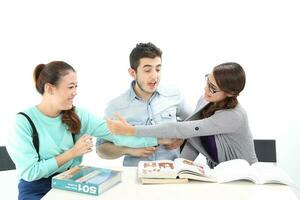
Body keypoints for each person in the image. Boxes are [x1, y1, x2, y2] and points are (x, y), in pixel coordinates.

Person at [7, 61, 169, 200]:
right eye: (70, 87)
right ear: (50, 89)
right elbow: (30, 172)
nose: (75, 92)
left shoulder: (77, 115)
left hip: (69, 182)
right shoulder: (24, 122)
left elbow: (116, 134)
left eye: (76, 86)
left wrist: (159, 140)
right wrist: (72, 153)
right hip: (36, 189)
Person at [107, 62, 258, 168]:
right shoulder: (205, 100)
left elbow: (180, 129)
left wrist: (131, 130)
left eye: (212, 88)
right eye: (207, 81)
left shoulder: (234, 116)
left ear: (230, 93)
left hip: (243, 174)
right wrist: (180, 168)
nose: (206, 89)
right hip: (218, 171)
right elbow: (194, 139)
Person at [96, 42, 192, 166]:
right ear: (132, 73)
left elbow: (194, 124)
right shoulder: (116, 107)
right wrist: (128, 150)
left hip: (173, 174)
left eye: (158, 69)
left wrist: (183, 138)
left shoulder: (174, 95)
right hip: (135, 178)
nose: (155, 76)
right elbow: (101, 149)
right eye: (147, 70)